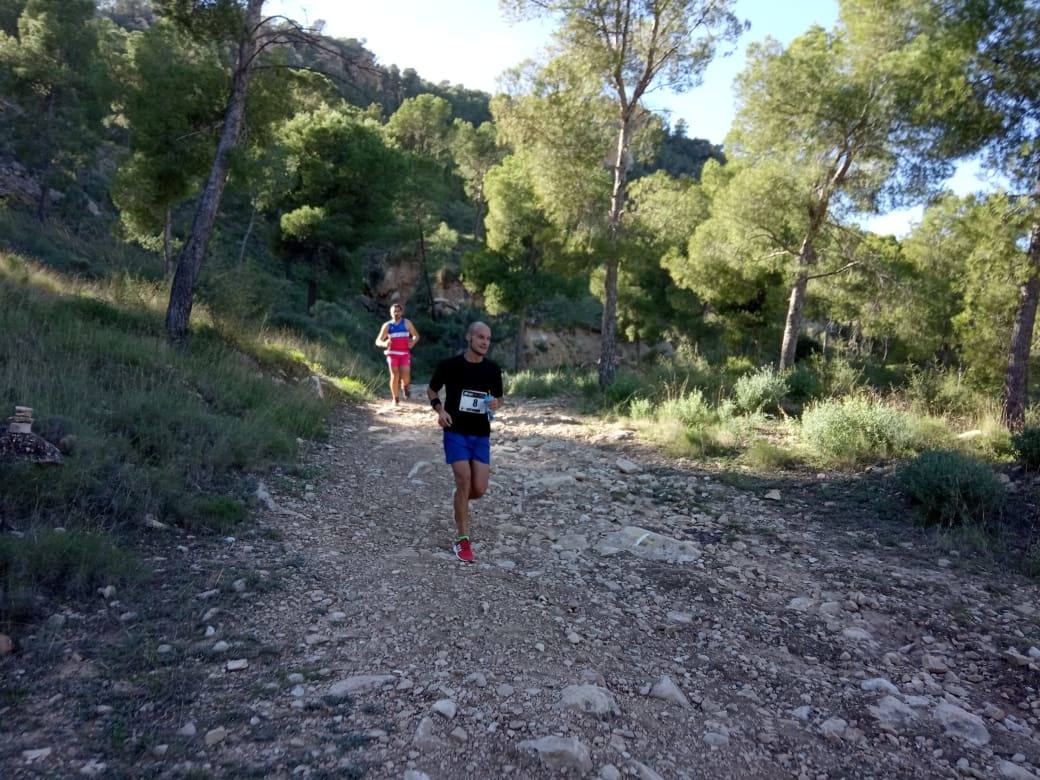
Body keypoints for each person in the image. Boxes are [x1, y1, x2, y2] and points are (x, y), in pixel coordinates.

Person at [427, 321, 503, 563]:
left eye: (488, 338)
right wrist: (440, 411)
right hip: (455, 432)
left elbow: (499, 399)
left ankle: (460, 498)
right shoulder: (449, 365)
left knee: (478, 489)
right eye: (480, 337)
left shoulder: (492, 369)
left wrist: (495, 404)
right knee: (464, 479)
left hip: (481, 434)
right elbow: (431, 391)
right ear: (469, 337)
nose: (485, 342)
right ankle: (463, 540)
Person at [375, 302, 420, 405]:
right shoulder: (387, 325)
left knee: (406, 375)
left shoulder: (407, 323)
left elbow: (416, 336)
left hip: (404, 353)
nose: (396, 313)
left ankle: (405, 386)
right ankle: (395, 398)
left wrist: (411, 344)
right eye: (394, 311)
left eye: (398, 311)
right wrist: (384, 343)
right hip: (392, 353)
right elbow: (377, 341)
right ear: (391, 313)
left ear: (402, 312)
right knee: (394, 375)